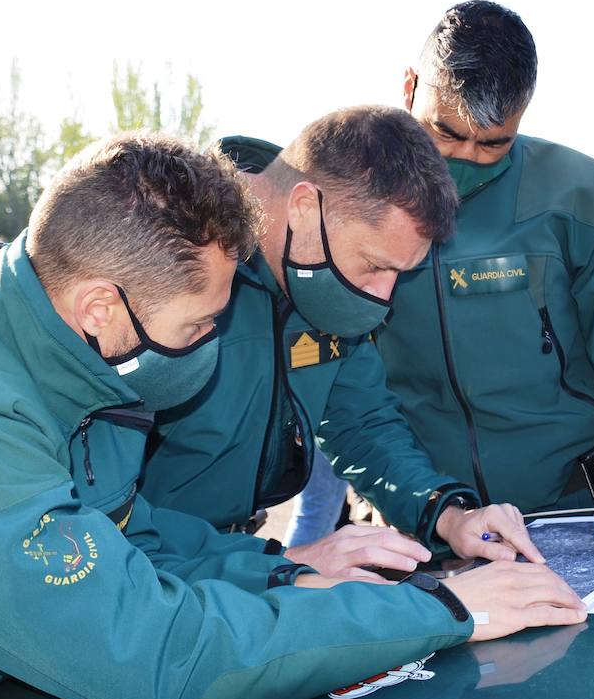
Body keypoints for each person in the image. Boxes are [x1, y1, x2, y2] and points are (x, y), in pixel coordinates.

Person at [0, 132, 583, 699]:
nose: (211, 348)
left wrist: (278, 568)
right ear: (102, 305)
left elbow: (121, 537)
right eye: (197, 329)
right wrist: (437, 606)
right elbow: (155, 661)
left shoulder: (70, 358)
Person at [142, 107, 546, 577]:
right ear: (303, 208)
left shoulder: (322, 282)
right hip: (140, 576)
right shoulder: (165, 256)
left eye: (400, 273)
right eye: (375, 266)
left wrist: (448, 514)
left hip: (220, 563)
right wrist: (279, 565)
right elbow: (94, 503)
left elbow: (362, 425)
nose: (383, 296)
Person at [380, 0, 594, 549]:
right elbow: (346, 399)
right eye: (445, 134)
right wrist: (427, 507)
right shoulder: (354, 200)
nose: (466, 159)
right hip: (427, 525)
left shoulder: (580, 193)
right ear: (409, 87)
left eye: (493, 144)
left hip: (580, 516)